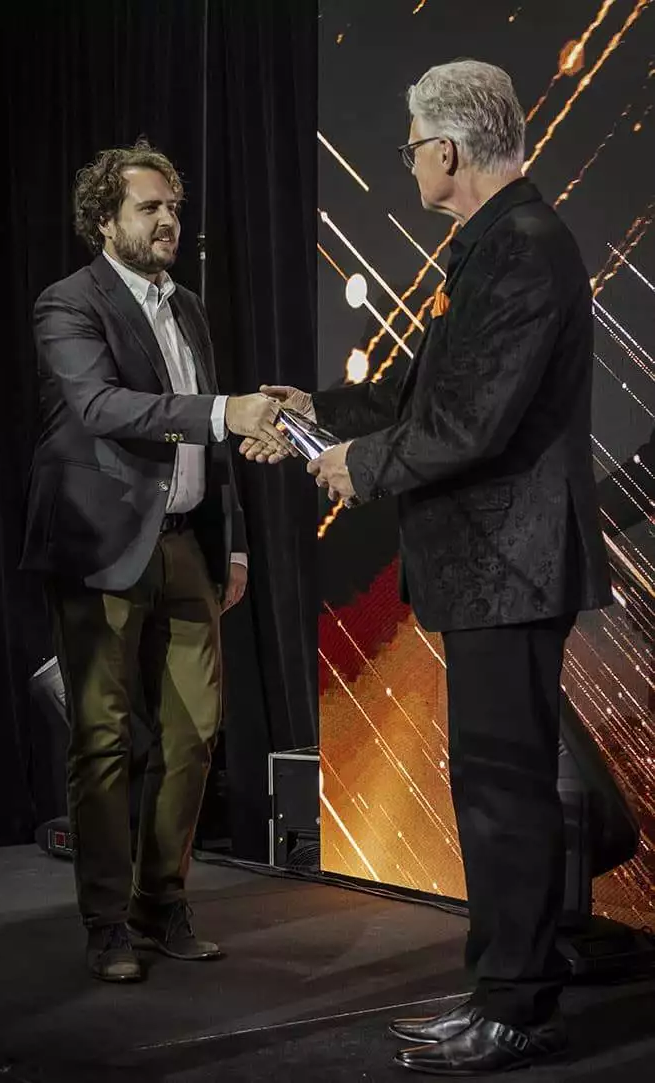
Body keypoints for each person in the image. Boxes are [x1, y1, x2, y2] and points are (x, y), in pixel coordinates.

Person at [243, 60, 612, 1074]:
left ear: (446, 149)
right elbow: (418, 391)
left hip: (508, 564)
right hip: (495, 564)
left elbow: (469, 424)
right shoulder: (492, 244)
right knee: (497, 784)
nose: (407, 162)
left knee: (501, 790)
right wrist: (313, 413)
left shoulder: (521, 247)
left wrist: (355, 467)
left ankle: (514, 1006)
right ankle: (509, 981)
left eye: (410, 146)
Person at [21, 139, 290, 983]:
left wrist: (232, 543)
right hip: (100, 547)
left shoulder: (189, 307)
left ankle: (159, 901)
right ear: (105, 220)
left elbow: (216, 434)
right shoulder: (69, 303)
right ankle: (106, 923)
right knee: (103, 739)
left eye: (174, 206)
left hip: (185, 548)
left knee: (195, 732)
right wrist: (222, 410)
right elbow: (103, 406)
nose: (170, 219)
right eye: (150, 207)